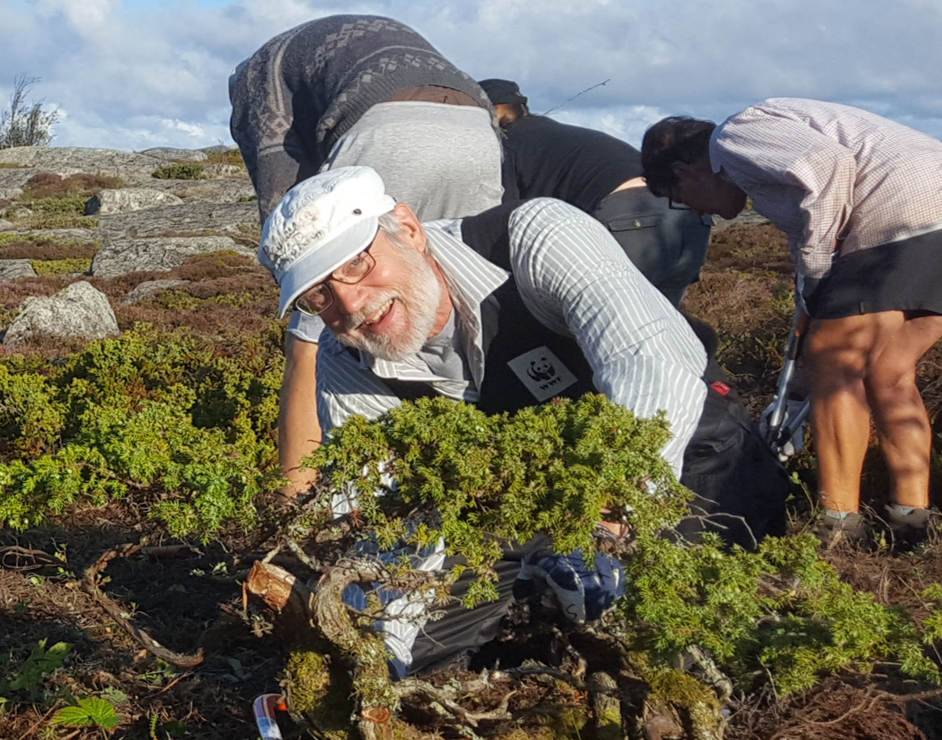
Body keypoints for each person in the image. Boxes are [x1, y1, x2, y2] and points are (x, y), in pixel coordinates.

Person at [261, 166, 786, 674]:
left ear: (409, 229)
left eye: (356, 263)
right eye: (318, 293)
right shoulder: (344, 360)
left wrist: (607, 519)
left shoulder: (536, 236)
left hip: (685, 445)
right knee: (415, 657)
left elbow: (649, 361)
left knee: (681, 642)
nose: (350, 302)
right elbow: (390, 509)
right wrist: (379, 638)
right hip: (514, 504)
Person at [642, 100, 942, 551]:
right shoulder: (767, 169)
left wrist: (819, 275)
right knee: (889, 374)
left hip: (912, 214)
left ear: (683, 172)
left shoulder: (732, 138)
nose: (709, 216)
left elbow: (826, 164)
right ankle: (911, 525)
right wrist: (813, 297)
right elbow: (813, 225)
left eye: (684, 203)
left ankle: (838, 528)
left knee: (833, 367)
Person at [229, 16, 504, 495]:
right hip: (476, 128)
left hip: (385, 131)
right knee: (458, 295)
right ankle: (494, 484)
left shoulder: (259, 81)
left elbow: (294, 215)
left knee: (320, 317)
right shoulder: (329, 45)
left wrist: (312, 291)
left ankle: (297, 504)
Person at [477, 78, 711, 308]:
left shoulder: (508, 144)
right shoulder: (561, 135)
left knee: (603, 320)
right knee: (665, 324)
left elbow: (502, 218)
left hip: (629, 217)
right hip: (687, 214)